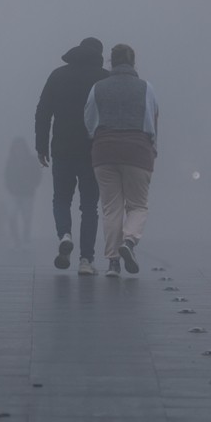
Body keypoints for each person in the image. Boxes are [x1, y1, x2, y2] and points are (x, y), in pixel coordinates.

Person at [35, 37, 110, 275]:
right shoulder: (103, 79)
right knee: (89, 206)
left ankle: (65, 235)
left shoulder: (58, 75)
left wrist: (41, 146)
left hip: (62, 149)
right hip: (92, 151)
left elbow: (43, 112)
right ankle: (86, 260)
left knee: (61, 199)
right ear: (98, 54)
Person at [83, 43, 158, 277]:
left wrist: (98, 137)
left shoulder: (98, 87)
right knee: (138, 205)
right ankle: (129, 241)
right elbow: (150, 122)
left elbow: (89, 119)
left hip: (104, 152)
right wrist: (152, 148)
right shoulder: (146, 88)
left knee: (111, 208)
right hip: (137, 151)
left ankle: (113, 263)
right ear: (133, 62)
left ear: (111, 62)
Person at [4, 137, 41, 244]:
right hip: (13, 194)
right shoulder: (11, 161)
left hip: (28, 194)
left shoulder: (32, 160)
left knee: (27, 218)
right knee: (11, 215)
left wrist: (33, 186)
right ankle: (15, 239)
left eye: (20, 147)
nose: (19, 150)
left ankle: (26, 239)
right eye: (17, 147)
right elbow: (7, 176)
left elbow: (38, 174)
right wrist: (10, 188)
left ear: (25, 148)